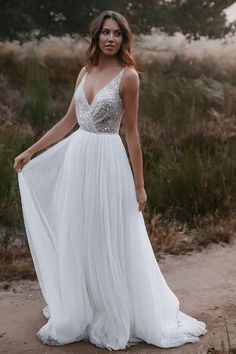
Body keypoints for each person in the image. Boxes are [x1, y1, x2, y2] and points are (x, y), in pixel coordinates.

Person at [13, 10, 207, 351]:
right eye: (105, 32)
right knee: (80, 232)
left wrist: (139, 184)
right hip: (79, 160)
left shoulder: (128, 77)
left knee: (109, 234)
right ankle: (84, 308)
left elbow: (132, 134)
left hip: (108, 163)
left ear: (124, 39)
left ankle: (116, 311)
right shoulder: (84, 72)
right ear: (96, 36)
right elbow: (67, 122)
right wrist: (30, 151)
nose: (110, 38)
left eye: (117, 33)